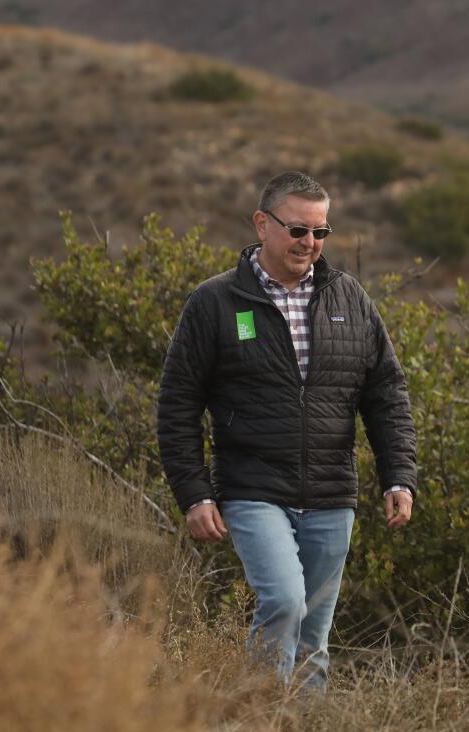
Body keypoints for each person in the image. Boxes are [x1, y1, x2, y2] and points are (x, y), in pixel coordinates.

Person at [157, 171, 417, 691]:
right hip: (252, 488)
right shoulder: (214, 303)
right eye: (298, 230)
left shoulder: (350, 298)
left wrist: (398, 478)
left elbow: (386, 395)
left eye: (321, 233)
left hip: (330, 494)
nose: (310, 244)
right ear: (262, 224)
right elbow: (177, 405)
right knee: (283, 602)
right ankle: (257, 725)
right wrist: (194, 493)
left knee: (314, 637)